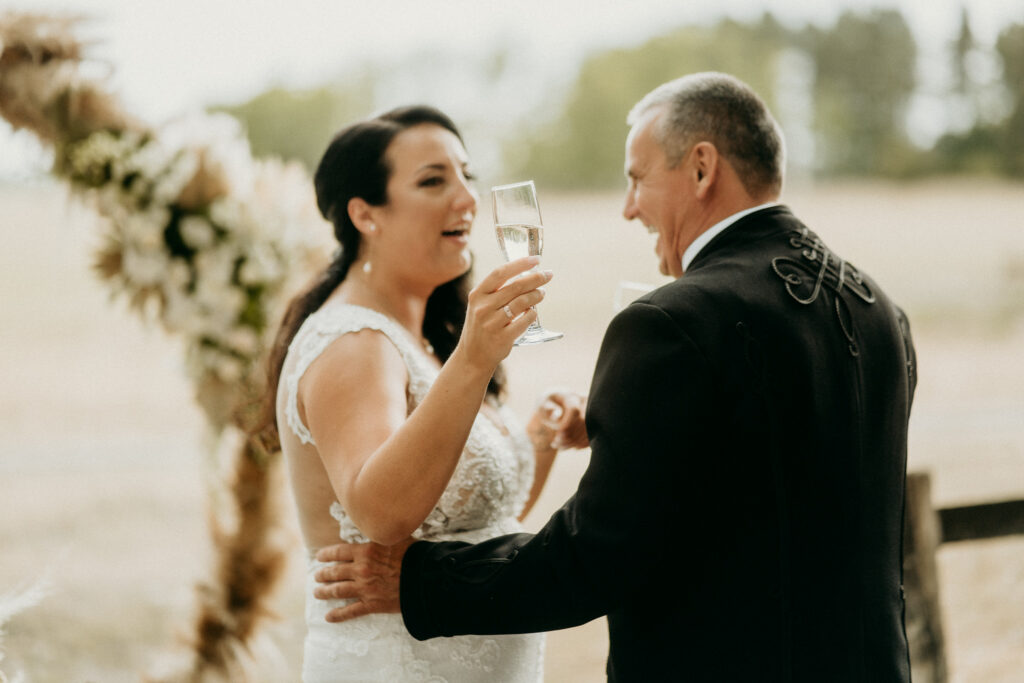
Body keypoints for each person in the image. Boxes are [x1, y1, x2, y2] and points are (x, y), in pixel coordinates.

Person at [313, 73, 918, 682]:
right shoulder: (880, 310)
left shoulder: (672, 321)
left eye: (637, 178)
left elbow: (593, 558)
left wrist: (421, 581)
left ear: (701, 168)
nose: (629, 207)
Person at [262, 105, 588, 682]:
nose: (467, 198)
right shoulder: (353, 342)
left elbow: (478, 520)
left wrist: (540, 437)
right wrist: (475, 357)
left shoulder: (422, 338)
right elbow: (383, 513)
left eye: (467, 175)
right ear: (365, 214)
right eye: (433, 181)